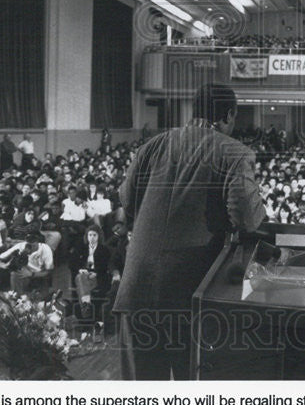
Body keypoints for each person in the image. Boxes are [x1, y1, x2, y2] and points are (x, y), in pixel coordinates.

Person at [113, 83, 265, 379]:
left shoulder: (151, 145)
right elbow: (246, 218)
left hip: (137, 289)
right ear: (229, 115)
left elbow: (127, 201)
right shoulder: (234, 152)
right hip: (191, 296)